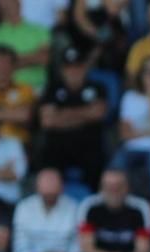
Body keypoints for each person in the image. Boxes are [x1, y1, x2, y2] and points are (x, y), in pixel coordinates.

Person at [38, 46, 111, 187]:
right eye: (69, 67)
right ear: (62, 70)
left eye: (77, 67)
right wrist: (85, 115)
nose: (73, 71)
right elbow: (47, 121)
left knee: (97, 161)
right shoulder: (52, 88)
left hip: (89, 144)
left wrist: (61, 114)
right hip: (58, 146)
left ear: (84, 67)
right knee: (47, 160)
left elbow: (99, 113)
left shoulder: (97, 87)